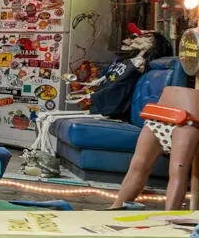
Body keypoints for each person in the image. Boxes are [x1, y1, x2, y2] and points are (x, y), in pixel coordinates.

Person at [18, 28, 172, 178]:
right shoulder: (124, 62)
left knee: (47, 118)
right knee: (43, 117)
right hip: (104, 105)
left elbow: (118, 87)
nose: (133, 38)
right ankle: (40, 157)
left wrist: (94, 96)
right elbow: (107, 80)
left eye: (143, 37)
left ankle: (46, 162)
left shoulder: (138, 65)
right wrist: (86, 90)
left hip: (112, 111)